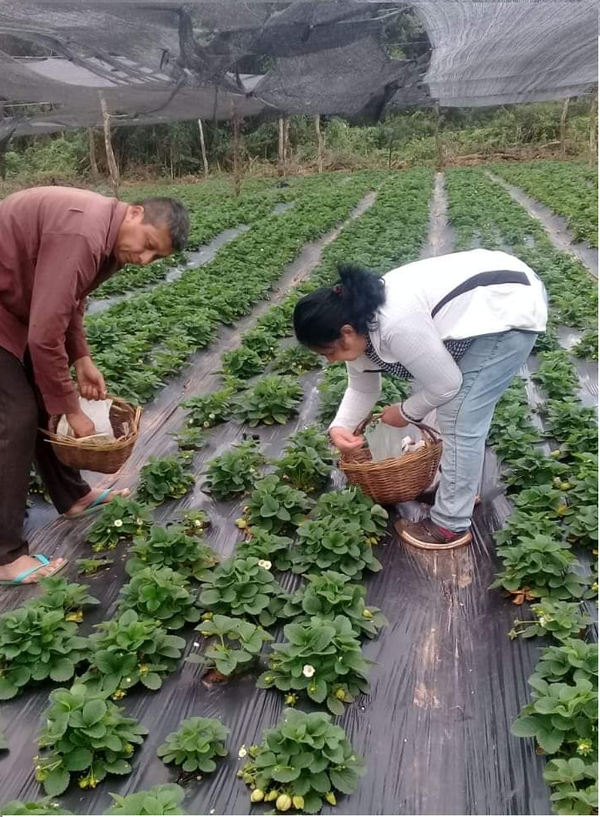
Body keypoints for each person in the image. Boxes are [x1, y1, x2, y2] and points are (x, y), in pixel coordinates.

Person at [293, 249, 548, 550]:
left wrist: (405, 411)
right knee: (437, 401)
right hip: (487, 301)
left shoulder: (394, 323)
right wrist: (341, 427)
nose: (331, 360)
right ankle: (455, 491)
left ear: (346, 333)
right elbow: (362, 388)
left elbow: (445, 385)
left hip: (507, 307)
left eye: (329, 352)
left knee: (460, 414)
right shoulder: (357, 321)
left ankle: (450, 525)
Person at [0, 186, 190, 584]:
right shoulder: (84, 233)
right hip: (10, 306)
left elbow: (70, 299)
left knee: (38, 398)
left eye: (156, 257)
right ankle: (5, 555)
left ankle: (72, 496)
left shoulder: (110, 238)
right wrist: (70, 408)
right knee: (16, 415)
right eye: (148, 246)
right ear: (135, 213)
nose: (144, 259)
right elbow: (44, 333)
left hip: (18, 304)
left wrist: (81, 358)